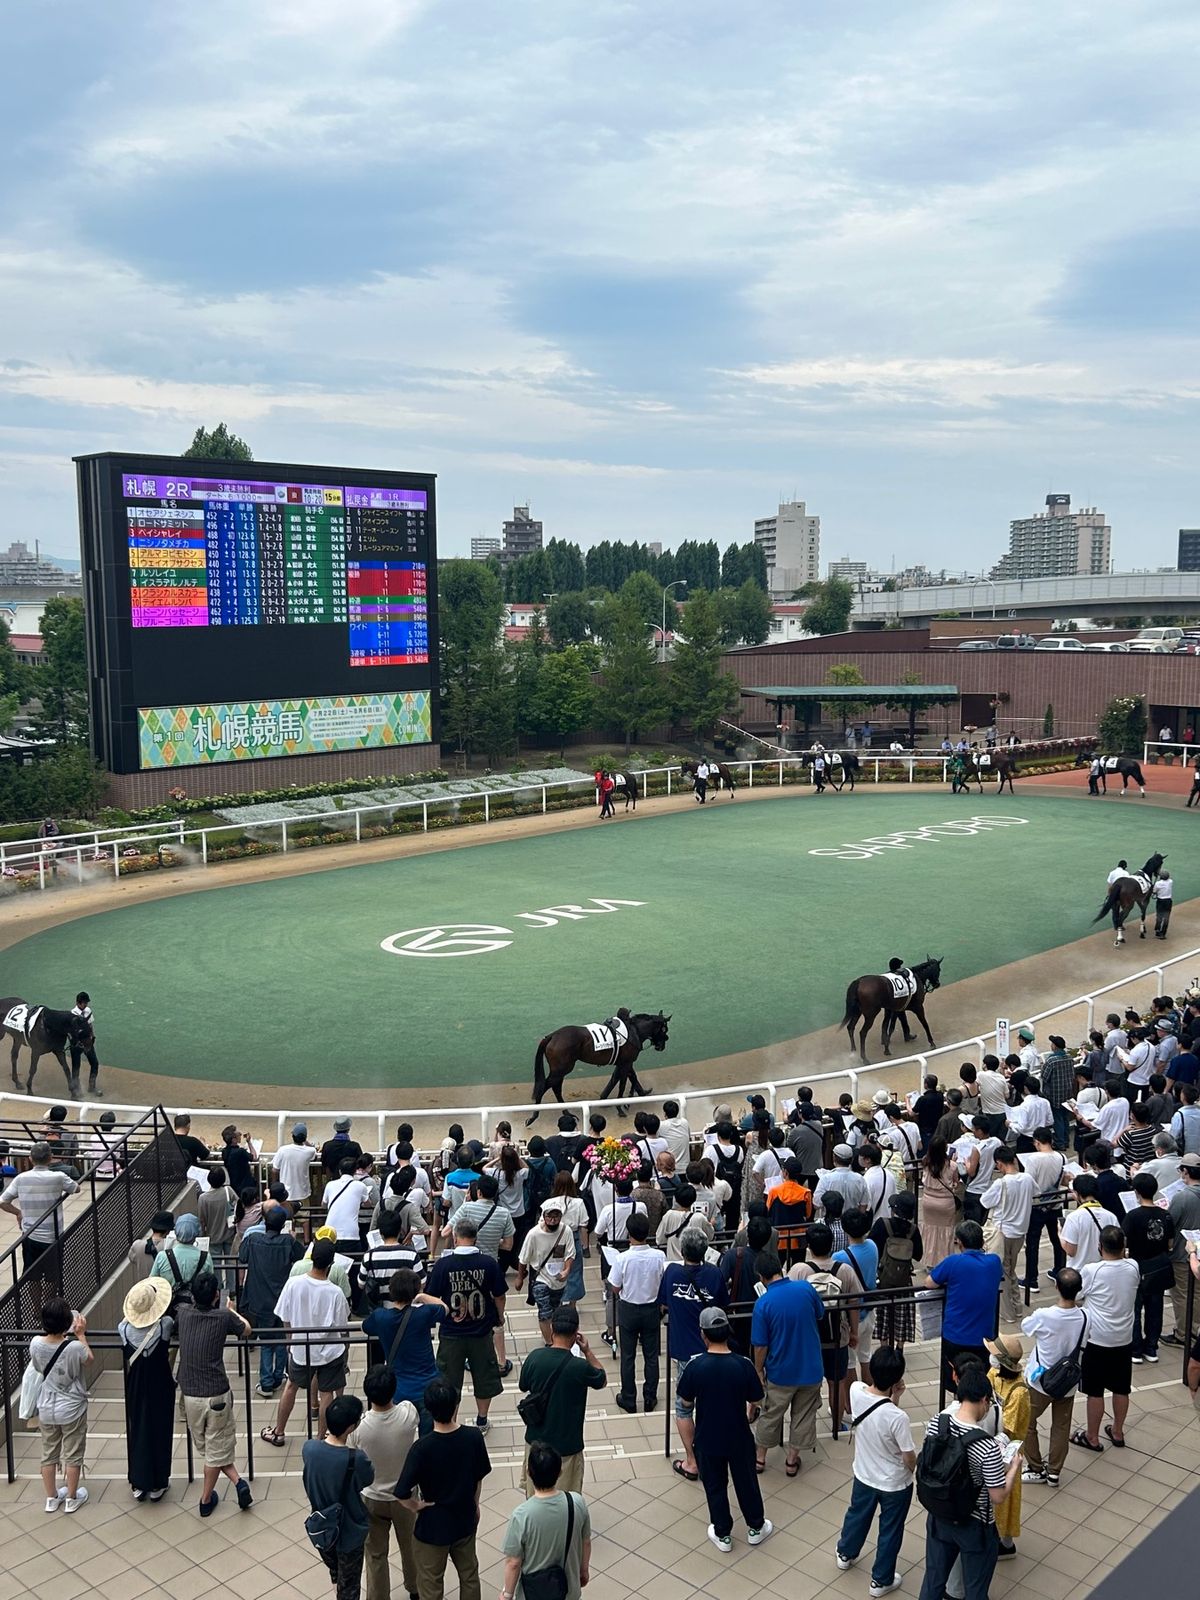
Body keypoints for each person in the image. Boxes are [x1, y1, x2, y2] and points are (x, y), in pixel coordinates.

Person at [915, 1364, 1023, 1600]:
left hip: (939, 1514)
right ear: (985, 1400)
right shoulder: (986, 1446)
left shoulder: (937, 1423)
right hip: (974, 1525)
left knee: (933, 1581)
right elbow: (997, 1495)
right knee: (975, 1590)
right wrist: (1013, 1468)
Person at [676, 1306, 772, 1554]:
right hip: (739, 1437)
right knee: (746, 1482)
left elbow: (685, 1404)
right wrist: (750, 1413)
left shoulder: (695, 1367)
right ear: (727, 1332)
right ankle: (756, 1527)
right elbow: (757, 1399)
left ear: (703, 1334)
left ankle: (722, 1533)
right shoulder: (743, 1365)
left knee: (715, 1485)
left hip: (708, 1438)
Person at [394, 1377, 490, 1600]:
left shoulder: (421, 1448)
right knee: (469, 1576)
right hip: (464, 1518)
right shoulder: (473, 1437)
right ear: (456, 1405)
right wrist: (474, 1504)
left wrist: (416, 1506)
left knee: (431, 1582)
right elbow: (478, 1477)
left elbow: (400, 1492)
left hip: (432, 1526)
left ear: (427, 1409)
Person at [835, 1346, 916, 1598]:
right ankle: (880, 1580)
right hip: (894, 1484)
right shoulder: (898, 1417)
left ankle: (845, 1553)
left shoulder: (856, 1391)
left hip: (864, 1474)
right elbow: (908, 1457)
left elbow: (876, 1408)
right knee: (890, 1529)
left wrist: (892, 1395)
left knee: (857, 1514)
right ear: (897, 1380)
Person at [175, 1272, 253, 1516]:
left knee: (210, 1447)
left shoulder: (183, 1313)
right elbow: (247, 1330)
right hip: (216, 1393)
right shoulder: (222, 1316)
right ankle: (206, 1500)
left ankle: (238, 1482)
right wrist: (232, 1309)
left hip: (189, 1393)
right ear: (216, 1295)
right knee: (214, 1449)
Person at [263, 1238, 350, 1446]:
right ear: (331, 1264)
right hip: (330, 1351)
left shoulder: (294, 1283)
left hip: (301, 1348)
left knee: (291, 1386)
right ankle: (322, 1437)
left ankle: (279, 1431)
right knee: (326, 1392)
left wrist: (289, 1340)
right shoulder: (335, 1293)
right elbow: (341, 1327)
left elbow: (284, 1316)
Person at [424, 1217, 506, 1431]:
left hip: (451, 1333)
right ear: (475, 1238)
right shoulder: (488, 1263)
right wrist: (500, 1316)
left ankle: (451, 1420)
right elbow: (499, 1295)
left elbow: (431, 1297)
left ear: (455, 1237)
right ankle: (482, 1419)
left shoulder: (443, 1265)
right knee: (484, 1378)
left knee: (449, 1381)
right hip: (481, 1332)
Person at [659, 1231, 728, 1480]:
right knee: (712, 1405)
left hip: (684, 1353)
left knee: (684, 1407)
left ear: (682, 1250)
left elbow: (663, 1303)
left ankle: (692, 1461)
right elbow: (723, 1306)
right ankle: (714, 1455)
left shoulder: (672, 1274)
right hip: (714, 1350)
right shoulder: (714, 1274)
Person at [517, 1305, 606, 1492]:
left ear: (552, 1330)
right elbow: (601, 1379)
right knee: (566, 1498)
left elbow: (523, 1385)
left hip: (536, 1444)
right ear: (575, 1334)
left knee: (536, 1495)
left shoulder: (535, 1357)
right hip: (567, 1446)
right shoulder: (579, 1367)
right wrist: (588, 1351)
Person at [751, 1250, 823, 1475]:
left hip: (781, 1371)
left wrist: (758, 1370)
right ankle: (792, 1461)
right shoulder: (805, 1288)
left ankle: (760, 1459)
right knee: (804, 1415)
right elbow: (820, 1314)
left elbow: (760, 1345)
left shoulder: (763, 1303)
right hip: (811, 1367)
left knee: (770, 1414)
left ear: (761, 1277)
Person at [1071, 1225, 1140, 1452]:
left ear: (1100, 1247)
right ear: (1124, 1246)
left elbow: (1077, 1293)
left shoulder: (1093, 1270)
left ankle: (1092, 1436)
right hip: (1124, 1338)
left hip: (1097, 1338)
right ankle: (1118, 1431)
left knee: (1095, 1390)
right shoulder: (1133, 1267)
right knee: (1121, 1387)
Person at [354, 1365, 420, 1600]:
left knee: (375, 1554)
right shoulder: (408, 1414)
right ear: (394, 1389)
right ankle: (415, 1588)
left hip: (371, 1497)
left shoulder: (360, 1427)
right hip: (405, 1497)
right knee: (411, 1546)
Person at [302, 1393, 375, 1600]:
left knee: (335, 1571)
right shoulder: (356, 1459)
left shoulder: (310, 1449)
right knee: (350, 1585)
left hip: (323, 1528)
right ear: (351, 1427)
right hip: (349, 1532)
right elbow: (368, 1479)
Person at [790, 1222, 859, 1434]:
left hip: (808, 1338)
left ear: (809, 1246)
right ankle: (837, 1425)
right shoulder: (844, 1270)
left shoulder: (799, 1270)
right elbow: (854, 1303)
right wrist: (854, 1332)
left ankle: (804, 1428)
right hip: (838, 1336)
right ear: (831, 1245)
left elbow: (792, 1302)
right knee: (836, 1382)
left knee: (806, 1386)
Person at [1020, 1266, 1085, 1487]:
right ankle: (1055, 1471)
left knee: (1026, 1422)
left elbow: (1026, 1327)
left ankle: (1036, 1467)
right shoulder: (1085, 1317)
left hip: (1042, 1382)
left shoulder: (1045, 1315)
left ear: (1057, 1287)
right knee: (1061, 1426)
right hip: (1068, 1382)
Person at [501, 1444, 592, 1600]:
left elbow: (513, 1562)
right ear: (559, 1472)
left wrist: (507, 1594)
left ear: (529, 1473)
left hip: (534, 1593)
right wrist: (583, 1572)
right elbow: (586, 1542)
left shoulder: (522, 1515)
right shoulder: (576, 1503)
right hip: (568, 1592)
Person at [29, 1296, 93, 1515]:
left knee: (49, 1453)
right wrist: (81, 1334)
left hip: (46, 1406)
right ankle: (72, 1498)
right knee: (73, 1453)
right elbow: (89, 1358)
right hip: (72, 1406)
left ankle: (51, 1497)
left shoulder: (36, 1344)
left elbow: (38, 1368)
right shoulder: (74, 1347)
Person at [118, 1277, 176, 1502]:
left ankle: (138, 1480)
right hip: (160, 1382)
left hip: (135, 1383)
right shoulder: (165, 1325)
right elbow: (168, 1322)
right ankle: (158, 1481)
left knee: (137, 1428)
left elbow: (126, 1323)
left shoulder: (123, 1329)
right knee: (161, 1428)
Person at [928, 1222, 1004, 1390]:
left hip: (955, 1336)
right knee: (979, 1382)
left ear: (959, 1242)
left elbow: (929, 1282)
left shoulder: (953, 1262)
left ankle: (959, 1411)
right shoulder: (994, 1262)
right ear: (982, 1242)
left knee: (955, 1382)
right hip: (984, 1338)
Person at [237, 1206, 304, 1396]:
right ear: (283, 1225)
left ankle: (266, 1382)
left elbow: (242, 1257)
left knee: (266, 1341)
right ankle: (278, 1375)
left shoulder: (253, 1240)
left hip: (259, 1299)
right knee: (281, 1338)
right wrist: (291, 1236)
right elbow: (301, 1256)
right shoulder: (287, 1242)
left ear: (265, 1222)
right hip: (282, 1298)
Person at [608, 1211, 665, 1413]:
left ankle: (629, 1398)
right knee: (651, 1355)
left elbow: (614, 1287)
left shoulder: (622, 1259)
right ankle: (650, 1397)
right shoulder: (659, 1256)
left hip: (629, 1309)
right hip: (651, 1309)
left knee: (628, 1356)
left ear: (628, 1233)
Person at [0, 1140, 79, 1284]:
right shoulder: (59, 1177)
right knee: (52, 1276)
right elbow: (76, 1188)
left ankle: (35, 1307)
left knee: (32, 1277)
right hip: (53, 1235)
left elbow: (3, 1202)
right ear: (50, 1158)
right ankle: (49, 1305)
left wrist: (18, 1212)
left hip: (29, 1235)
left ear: (30, 1159)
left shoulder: (21, 1178)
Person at [981, 1334, 1029, 1559]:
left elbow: (1009, 1429)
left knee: (1007, 1496)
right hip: (991, 1438)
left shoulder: (1019, 1392)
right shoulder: (994, 1374)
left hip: (1008, 1450)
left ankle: (1006, 1543)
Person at [1121, 1173, 1175, 1363]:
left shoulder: (1133, 1216)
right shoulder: (1165, 1215)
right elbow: (1170, 1244)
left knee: (1135, 1309)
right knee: (1155, 1308)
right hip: (1159, 1266)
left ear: (1136, 1192)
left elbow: (1124, 1242)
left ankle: (1135, 1349)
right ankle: (1151, 1347)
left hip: (1137, 1266)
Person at [980, 1147, 1035, 1323]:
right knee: (1011, 1270)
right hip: (1020, 1232)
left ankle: (1008, 1313)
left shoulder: (1001, 1183)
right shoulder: (1027, 1178)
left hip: (1002, 1232)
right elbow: (1038, 1192)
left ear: (999, 1164)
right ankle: (1017, 1307)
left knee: (1002, 1273)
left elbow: (985, 1201)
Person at [517, 1199, 577, 1343]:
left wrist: (567, 1270)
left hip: (558, 1280)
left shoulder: (566, 1231)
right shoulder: (533, 1234)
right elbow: (523, 1258)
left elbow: (570, 1254)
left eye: (556, 1216)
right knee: (545, 1313)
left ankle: (556, 1337)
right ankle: (550, 1342)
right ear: (543, 1216)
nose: (552, 1220)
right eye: (549, 1216)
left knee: (556, 1311)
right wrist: (520, 1277)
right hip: (540, 1278)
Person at [1020, 1129, 1067, 1289]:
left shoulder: (1033, 1159)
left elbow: (1028, 1182)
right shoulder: (1062, 1157)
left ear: (1037, 1142)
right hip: (1056, 1203)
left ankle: (1031, 1279)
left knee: (1032, 1243)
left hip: (1037, 1205)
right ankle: (1060, 1271)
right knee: (1057, 1240)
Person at [1164, 1152, 1200, 1349]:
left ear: (1186, 1172)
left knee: (1181, 1295)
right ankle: (1196, 1329)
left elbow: (1170, 1222)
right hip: (1198, 1253)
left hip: (1182, 1254)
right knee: (1197, 1294)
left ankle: (1184, 1333)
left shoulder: (1182, 1197)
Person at [1059, 1174, 1118, 1272]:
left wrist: (1060, 1234)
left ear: (1077, 1193)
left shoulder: (1074, 1218)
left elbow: (1071, 1251)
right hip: (1103, 1270)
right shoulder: (1111, 1216)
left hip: (1080, 1272)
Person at [921, 1137, 962, 1271]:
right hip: (945, 1203)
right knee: (946, 1232)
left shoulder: (925, 1162)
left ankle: (929, 1262)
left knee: (930, 1231)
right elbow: (956, 1182)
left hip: (928, 1202)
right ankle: (945, 1261)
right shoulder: (952, 1166)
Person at [271, 1123, 318, 1209]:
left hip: (285, 1194)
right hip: (303, 1193)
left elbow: (275, 1170)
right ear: (305, 1137)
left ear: (292, 1136)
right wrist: (304, 1139)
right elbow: (314, 1152)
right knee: (304, 1217)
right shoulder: (310, 1151)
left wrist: (274, 1188)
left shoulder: (283, 1150)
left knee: (287, 1219)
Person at [67, 992, 101, 1098]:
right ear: (78, 1003)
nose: (86, 1005)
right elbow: (69, 1032)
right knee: (76, 1067)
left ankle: (92, 1086)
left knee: (95, 1063)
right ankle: (76, 1091)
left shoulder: (88, 1011)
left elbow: (90, 1025)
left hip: (87, 1041)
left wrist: (92, 1036)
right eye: (84, 1003)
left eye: (86, 1003)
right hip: (76, 1044)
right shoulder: (72, 1014)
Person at [659, 1100, 692, 1165]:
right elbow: (689, 1135)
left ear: (665, 1113)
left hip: (670, 1168)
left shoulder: (662, 1125)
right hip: (685, 1166)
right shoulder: (685, 1122)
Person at [1153, 868, 1174, 939]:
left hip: (1161, 902)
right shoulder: (1170, 881)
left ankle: (1158, 929)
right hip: (1168, 901)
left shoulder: (1158, 883)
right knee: (1166, 918)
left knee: (1159, 916)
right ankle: (1163, 933)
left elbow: (1154, 891)